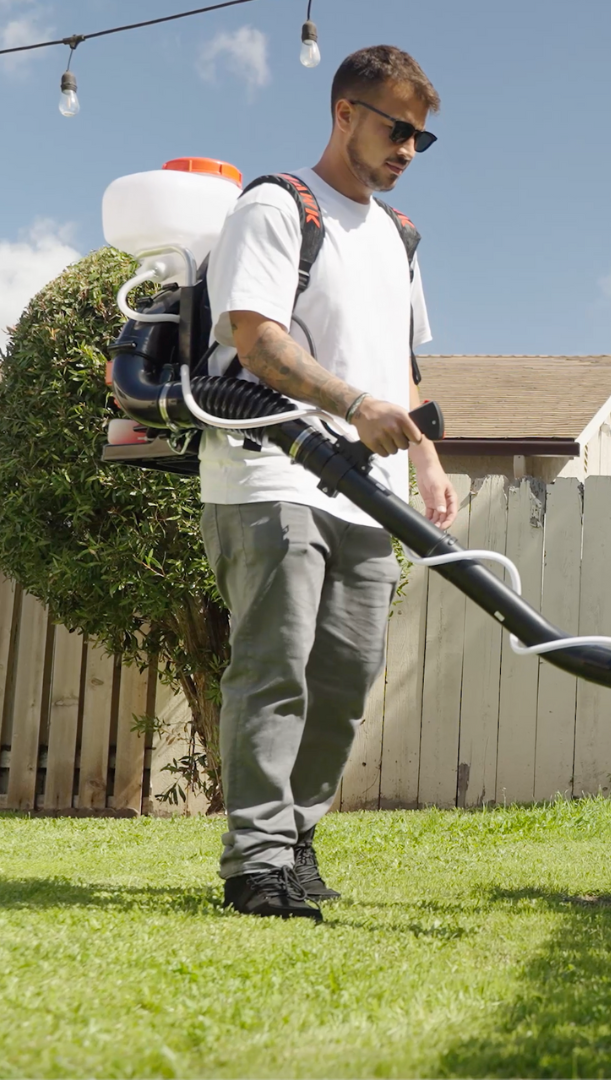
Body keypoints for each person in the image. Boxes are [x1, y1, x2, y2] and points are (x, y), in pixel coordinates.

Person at [200, 45, 458, 922]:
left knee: (346, 677)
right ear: (345, 113)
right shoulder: (278, 206)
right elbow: (257, 341)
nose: (408, 151)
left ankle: (298, 840)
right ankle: (257, 863)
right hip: (271, 471)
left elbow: (404, 367)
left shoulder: (399, 235)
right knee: (275, 670)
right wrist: (351, 402)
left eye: (422, 139)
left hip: (365, 488)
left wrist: (423, 451)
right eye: (397, 129)